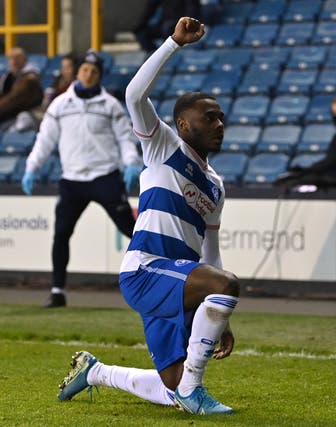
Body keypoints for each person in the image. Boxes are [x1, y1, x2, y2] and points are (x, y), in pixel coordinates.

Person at [56, 17, 239, 415]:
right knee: (225, 287)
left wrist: (220, 311)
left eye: (221, 117)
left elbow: (212, 253)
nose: (219, 124)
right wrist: (173, 43)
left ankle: (96, 371)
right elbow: (135, 94)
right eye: (210, 117)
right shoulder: (162, 146)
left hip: (177, 280)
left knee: (171, 386)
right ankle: (194, 392)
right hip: (145, 272)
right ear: (183, 124)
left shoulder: (216, 185)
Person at [21, 49, 141, 308]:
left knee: (132, 230)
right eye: (85, 70)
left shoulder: (110, 105)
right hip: (72, 180)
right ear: (77, 72)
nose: (88, 74)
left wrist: (131, 163)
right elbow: (44, 140)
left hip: (105, 176)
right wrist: (32, 167)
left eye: (94, 71)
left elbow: (125, 138)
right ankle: (57, 291)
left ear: (99, 76)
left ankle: (162, 278)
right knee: (61, 233)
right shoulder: (60, 105)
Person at [275, 95, 336, 193]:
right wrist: (306, 171)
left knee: (302, 181)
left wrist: (311, 170)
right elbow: (333, 157)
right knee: (289, 179)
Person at [0, 47, 44, 131]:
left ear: (24, 60)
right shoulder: (8, 76)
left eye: (17, 58)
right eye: (10, 58)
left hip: (24, 115)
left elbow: (13, 100)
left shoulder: (29, 79)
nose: (13, 62)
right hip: (9, 114)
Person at [133, 0, 201, 53]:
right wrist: (140, 26)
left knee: (167, 28)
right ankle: (153, 53)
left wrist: (186, 25)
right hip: (163, 25)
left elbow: (192, 11)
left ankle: (169, 54)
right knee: (142, 33)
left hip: (181, 26)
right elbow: (149, 9)